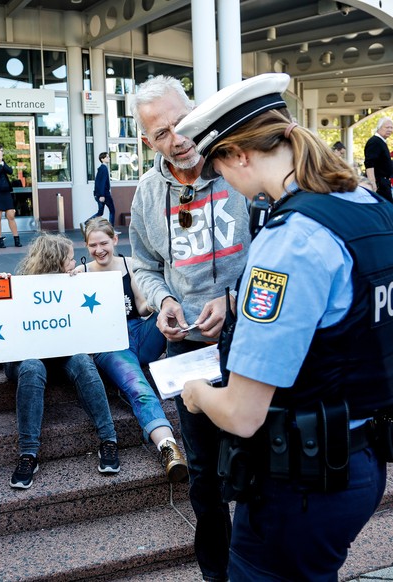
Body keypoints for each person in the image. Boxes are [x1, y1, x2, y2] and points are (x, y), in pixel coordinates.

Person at [176, 73, 393, 581]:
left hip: (302, 484)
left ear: (239, 155)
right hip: (361, 459)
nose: (218, 178)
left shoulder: (292, 238)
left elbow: (241, 414)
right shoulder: (371, 208)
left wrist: (195, 393)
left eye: (215, 163)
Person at [129, 74, 251, 582]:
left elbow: (278, 252)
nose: (175, 138)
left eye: (181, 123)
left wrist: (234, 299)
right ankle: (217, 572)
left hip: (251, 340)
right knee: (202, 471)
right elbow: (142, 264)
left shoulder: (241, 166)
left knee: (256, 461)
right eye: (161, 133)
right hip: (189, 352)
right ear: (146, 140)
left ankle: (258, 565)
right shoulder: (146, 193)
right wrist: (164, 304)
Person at [78, 217, 188, 483]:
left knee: (171, 310)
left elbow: (141, 308)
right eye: (92, 245)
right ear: (86, 246)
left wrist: (158, 306)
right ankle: (168, 448)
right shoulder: (81, 273)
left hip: (139, 332)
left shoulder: (129, 264)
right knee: (139, 388)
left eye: (103, 242)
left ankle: (189, 373)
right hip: (111, 345)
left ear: (114, 240)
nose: (99, 249)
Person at [4, 232, 119, 489]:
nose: (73, 263)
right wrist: (4, 288)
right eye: (69, 260)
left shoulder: (71, 282)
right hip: (27, 360)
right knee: (32, 367)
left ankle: (108, 440)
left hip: (62, 355)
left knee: (82, 361)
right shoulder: (21, 285)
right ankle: (28, 454)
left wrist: (77, 285)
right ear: (55, 262)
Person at [364, 116, 393, 204]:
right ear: (379, 127)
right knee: (388, 209)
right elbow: (369, 163)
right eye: (387, 127)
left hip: (384, 182)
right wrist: (372, 182)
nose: (390, 130)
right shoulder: (375, 142)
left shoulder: (381, 142)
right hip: (379, 183)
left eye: (391, 127)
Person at [86, 152, 115, 225]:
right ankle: (111, 229)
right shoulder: (104, 168)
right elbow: (102, 182)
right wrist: (102, 195)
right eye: (107, 157)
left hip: (100, 194)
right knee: (112, 211)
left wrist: (98, 194)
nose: (109, 158)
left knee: (100, 212)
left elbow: (97, 183)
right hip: (104, 194)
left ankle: (86, 222)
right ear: (102, 159)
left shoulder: (101, 168)